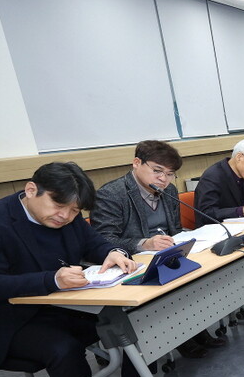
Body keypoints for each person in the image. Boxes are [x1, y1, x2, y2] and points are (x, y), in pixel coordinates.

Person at [0, 163, 153, 377]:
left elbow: (94, 243)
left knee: (128, 318)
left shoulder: (67, 215)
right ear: (31, 190)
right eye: (59, 206)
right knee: (63, 348)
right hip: (11, 319)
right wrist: (52, 280)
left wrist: (114, 253)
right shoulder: (2, 221)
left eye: (74, 211)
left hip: (62, 303)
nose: (65, 216)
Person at [91, 140, 224, 358]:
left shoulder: (168, 190)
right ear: (136, 163)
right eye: (157, 171)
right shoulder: (112, 194)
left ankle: (196, 329)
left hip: (165, 257)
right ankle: (182, 337)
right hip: (133, 264)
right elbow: (103, 240)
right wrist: (143, 243)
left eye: (170, 174)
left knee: (198, 273)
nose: (163, 179)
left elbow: (175, 230)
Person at [194, 138, 244, 226]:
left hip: (241, 226)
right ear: (239, 157)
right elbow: (206, 214)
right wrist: (239, 211)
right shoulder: (213, 176)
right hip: (217, 230)